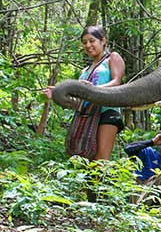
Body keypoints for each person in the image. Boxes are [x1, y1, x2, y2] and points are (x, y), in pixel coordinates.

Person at [43, 25, 125, 160]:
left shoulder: (112, 58)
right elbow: (81, 100)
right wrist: (57, 94)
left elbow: (116, 82)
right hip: (87, 115)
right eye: (84, 42)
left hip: (107, 112)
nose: (88, 45)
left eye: (92, 41)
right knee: (86, 159)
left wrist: (92, 90)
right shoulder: (85, 71)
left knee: (101, 159)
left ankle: (103, 181)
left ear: (103, 41)